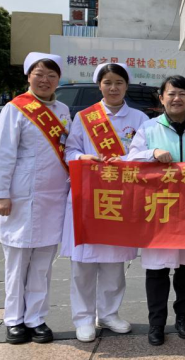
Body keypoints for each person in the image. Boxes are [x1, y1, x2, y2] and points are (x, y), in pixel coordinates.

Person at [61, 63, 148, 342]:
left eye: (119, 82)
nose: (113, 88)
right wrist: (82, 158)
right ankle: (84, 317)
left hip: (120, 197)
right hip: (89, 196)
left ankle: (109, 313)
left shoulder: (139, 117)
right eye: (107, 82)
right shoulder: (84, 117)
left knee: (114, 261)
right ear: (99, 85)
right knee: (83, 263)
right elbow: (70, 151)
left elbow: (144, 153)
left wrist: (125, 161)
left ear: (126, 85)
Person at [0, 52, 70, 344]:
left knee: (42, 265)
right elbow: (3, 154)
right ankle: (14, 320)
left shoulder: (63, 110)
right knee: (16, 262)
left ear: (58, 79)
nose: (45, 80)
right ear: (28, 76)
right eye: (39, 74)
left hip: (53, 198)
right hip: (20, 196)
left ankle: (36, 319)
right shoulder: (15, 109)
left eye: (52, 75)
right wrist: (1, 194)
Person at [128, 75, 185, 346]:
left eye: (182, 93)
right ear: (161, 98)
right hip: (158, 209)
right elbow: (131, 159)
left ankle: (183, 317)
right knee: (157, 269)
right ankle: (156, 323)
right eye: (171, 94)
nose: (176, 98)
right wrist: (152, 153)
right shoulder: (149, 128)